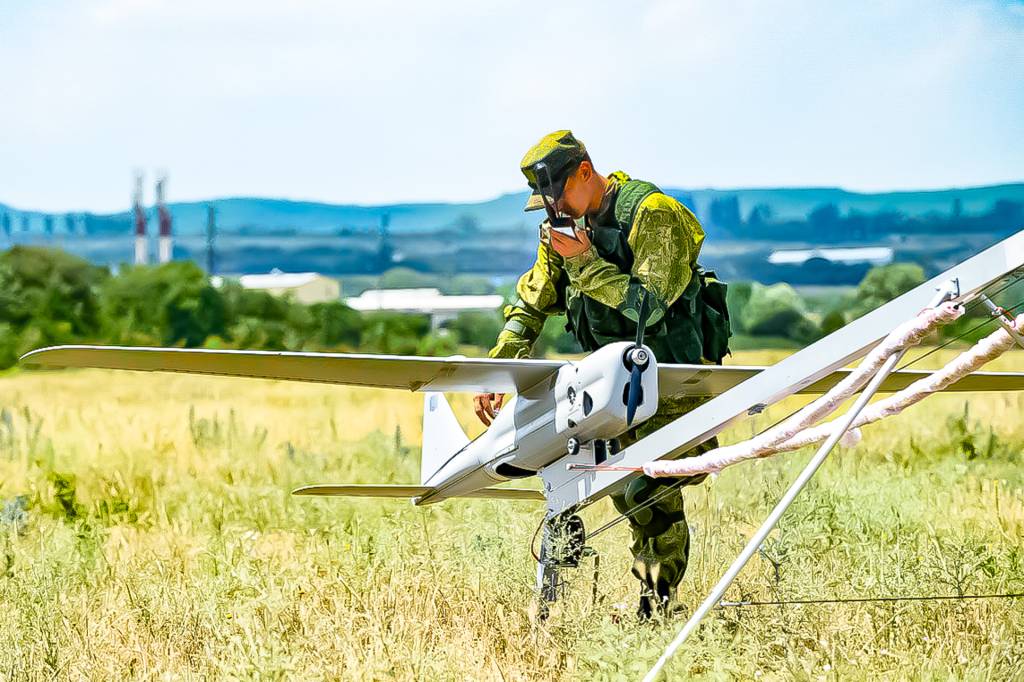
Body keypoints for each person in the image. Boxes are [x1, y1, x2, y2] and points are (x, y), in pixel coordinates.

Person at [473, 130, 731, 618]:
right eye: (545, 203)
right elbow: (531, 302)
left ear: (586, 173)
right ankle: (613, 602)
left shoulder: (653, 215)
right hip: (607, 393)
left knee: (647, 492)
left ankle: (655, 610)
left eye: (559, 195)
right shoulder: (561, 228)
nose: (555, 210)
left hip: (671, 387)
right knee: (602, 487)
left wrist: (586, 263)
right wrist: (498, 367)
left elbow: (649, 309)